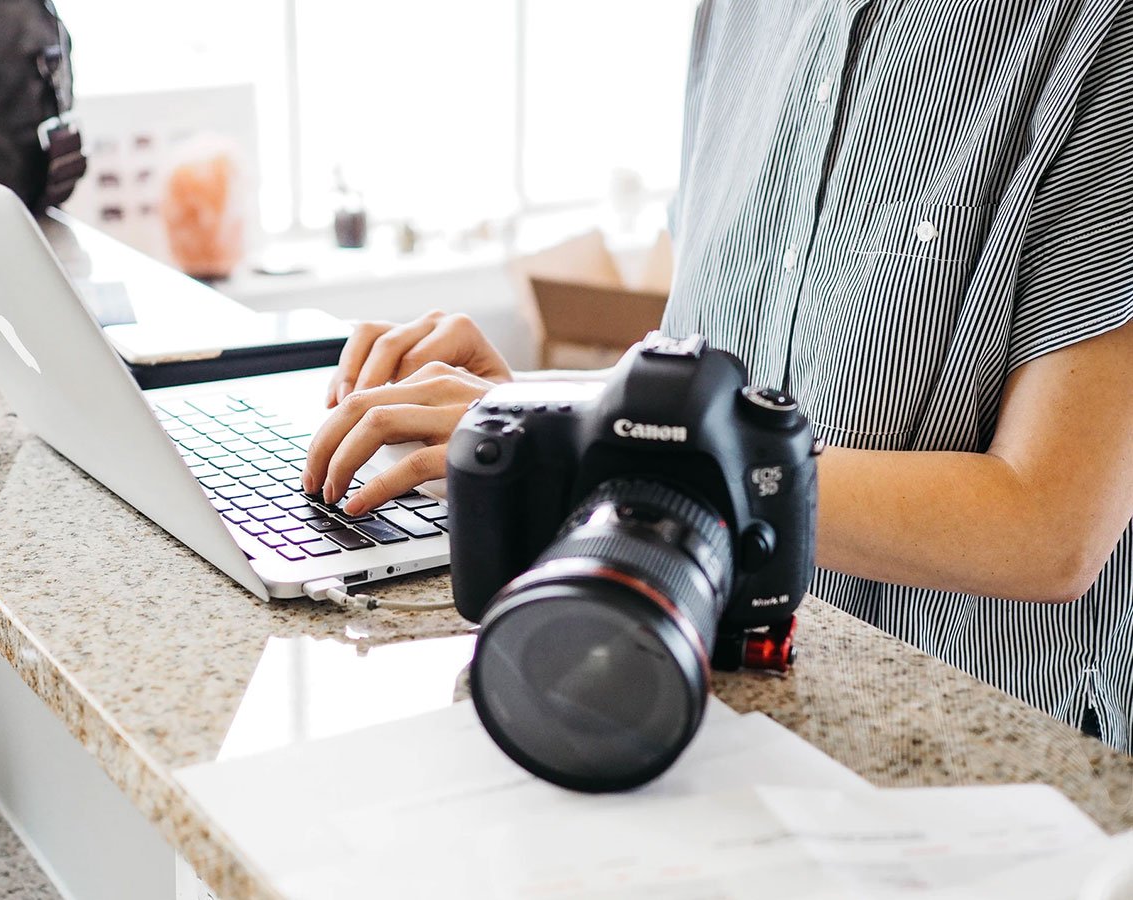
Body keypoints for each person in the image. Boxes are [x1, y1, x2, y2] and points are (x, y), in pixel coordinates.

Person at [300, 2, 1133, 753]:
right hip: (704, 702)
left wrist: (591, 432)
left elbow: (1050, 526)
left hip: (967, 761)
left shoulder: (1100, 31)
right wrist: (554, 423)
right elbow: (706, 360)